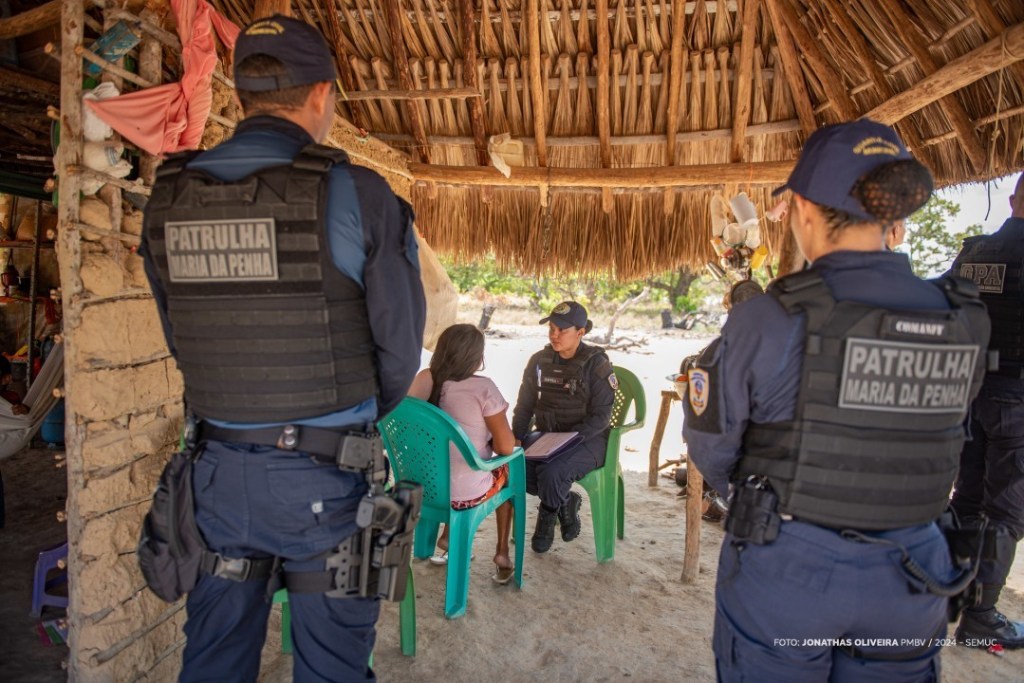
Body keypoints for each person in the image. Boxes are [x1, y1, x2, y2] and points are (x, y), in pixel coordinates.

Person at [138, 15, 425, 682]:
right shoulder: (360, 195)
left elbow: (179, 337)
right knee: (331, 669)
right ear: (322, 94)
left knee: (213, 662)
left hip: (215, 480)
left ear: (240, 97)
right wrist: (337, 417)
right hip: (325, 483)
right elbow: (398, 356)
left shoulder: (169, 195)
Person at [682, 119, 991, 681]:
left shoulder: (770, 317)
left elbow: (711, 445)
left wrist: (763, 499)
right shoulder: (962, 317)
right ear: (891, 213)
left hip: (792, 566)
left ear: (802, 209)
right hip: (913, 570)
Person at [948, 172, 1024, 648]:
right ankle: (981, 619)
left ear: (1013, 199)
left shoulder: (973, 252)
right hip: (1017, 399)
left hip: (966, 394)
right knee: (1007, 512)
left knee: (967, 498)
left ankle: (947, 597)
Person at [407, 324, 517, 584]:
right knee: (508, 470)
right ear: (476, 357)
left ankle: (446, 535)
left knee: (451, 461)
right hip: (462, 495)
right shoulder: (483, 389)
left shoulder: (425, 379)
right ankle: (502, 553)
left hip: (421, 486)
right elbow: (505, 448)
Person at [512, 301, 616, 553]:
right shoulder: (539, 360)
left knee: (552, 472)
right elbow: (525, 404)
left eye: (562, 330)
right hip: (547, 435)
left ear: (581, 333)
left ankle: (545, 522)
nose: (554, 335)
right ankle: (566, 502)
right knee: (512, 468)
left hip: (588, 440)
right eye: (551, 328)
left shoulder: (597, 364)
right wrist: (516, 438)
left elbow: (602, 417)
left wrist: (568, 441)